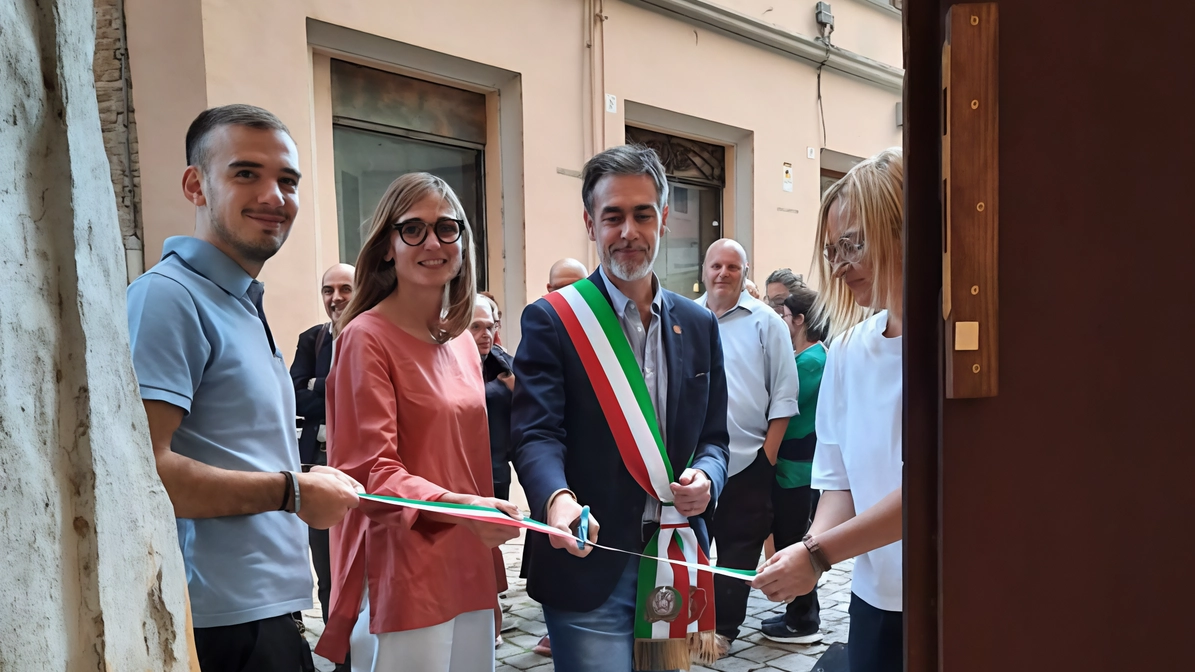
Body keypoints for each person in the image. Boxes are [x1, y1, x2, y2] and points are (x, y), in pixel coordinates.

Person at [126, 104, 361, 672]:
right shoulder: (168, 297)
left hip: (267, 611)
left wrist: (300, 481)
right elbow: (146, 473)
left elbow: (234, 449)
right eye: (245, 174)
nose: (273, 196)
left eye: (287, 180)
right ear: (195, 184)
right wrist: (292, 493)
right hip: (222, 622)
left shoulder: (239, 301)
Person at [511, 144, 730, 672]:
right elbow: (535, 433)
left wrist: (708, 477)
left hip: (675, 559)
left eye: (641, 214)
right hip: (589, 562)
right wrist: (556, 500)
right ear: (591, 223)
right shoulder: (554, 320)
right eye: (613, 216)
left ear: (664, 219)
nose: (628, 231)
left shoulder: (698, 324)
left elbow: (717, 438)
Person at [315, 172, 521, 672]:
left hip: (466, 559)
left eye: (447, 228)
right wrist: (465, 508)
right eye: (413, 229)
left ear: (463, 244)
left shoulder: (462, 342)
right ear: (388, 245)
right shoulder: (365, 338)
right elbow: (369, 474)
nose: (432, 242)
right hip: (404, 570)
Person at [751, 148, 905, 672]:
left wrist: (817, 555)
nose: (838, 267)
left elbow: (934, 490)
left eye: (853, 244)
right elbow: (838, 477)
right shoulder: (847, 349)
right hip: (874, 596)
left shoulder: (959, 352)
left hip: (952, 597)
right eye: (831, 250)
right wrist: (806, 555)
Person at [694, 239, 800, 655]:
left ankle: (723, 630)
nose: (723, 274)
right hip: (694, 461)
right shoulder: (683, 315)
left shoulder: (766, 322)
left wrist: (766, 457)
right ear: (704, 270)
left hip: (748, 459)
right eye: (716, 266)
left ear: (745, 271)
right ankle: (686, 621)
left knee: (739, 548)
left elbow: (784, 396)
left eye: (732, 267)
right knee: (692, 543)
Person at [759, 286, 826, 645]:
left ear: (799, 320)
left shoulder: (810, 362)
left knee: (794, 540)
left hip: (795, 471)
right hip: (797, 469)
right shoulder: (810, 357)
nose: (781, 321)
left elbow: (788, 416)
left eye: (784, 316)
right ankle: (796, 613)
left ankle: (803, 619)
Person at [291, 262, 355, 638]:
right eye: (328, 290)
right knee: (327, 568)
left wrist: (319, 385)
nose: (336, 298)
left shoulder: (377, 334)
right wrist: (338, 389)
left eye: (345, 288)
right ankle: (340, 651)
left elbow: (368, 398)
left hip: (364, 470)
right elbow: (294, 398)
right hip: (318, 464)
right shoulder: (312, 339)